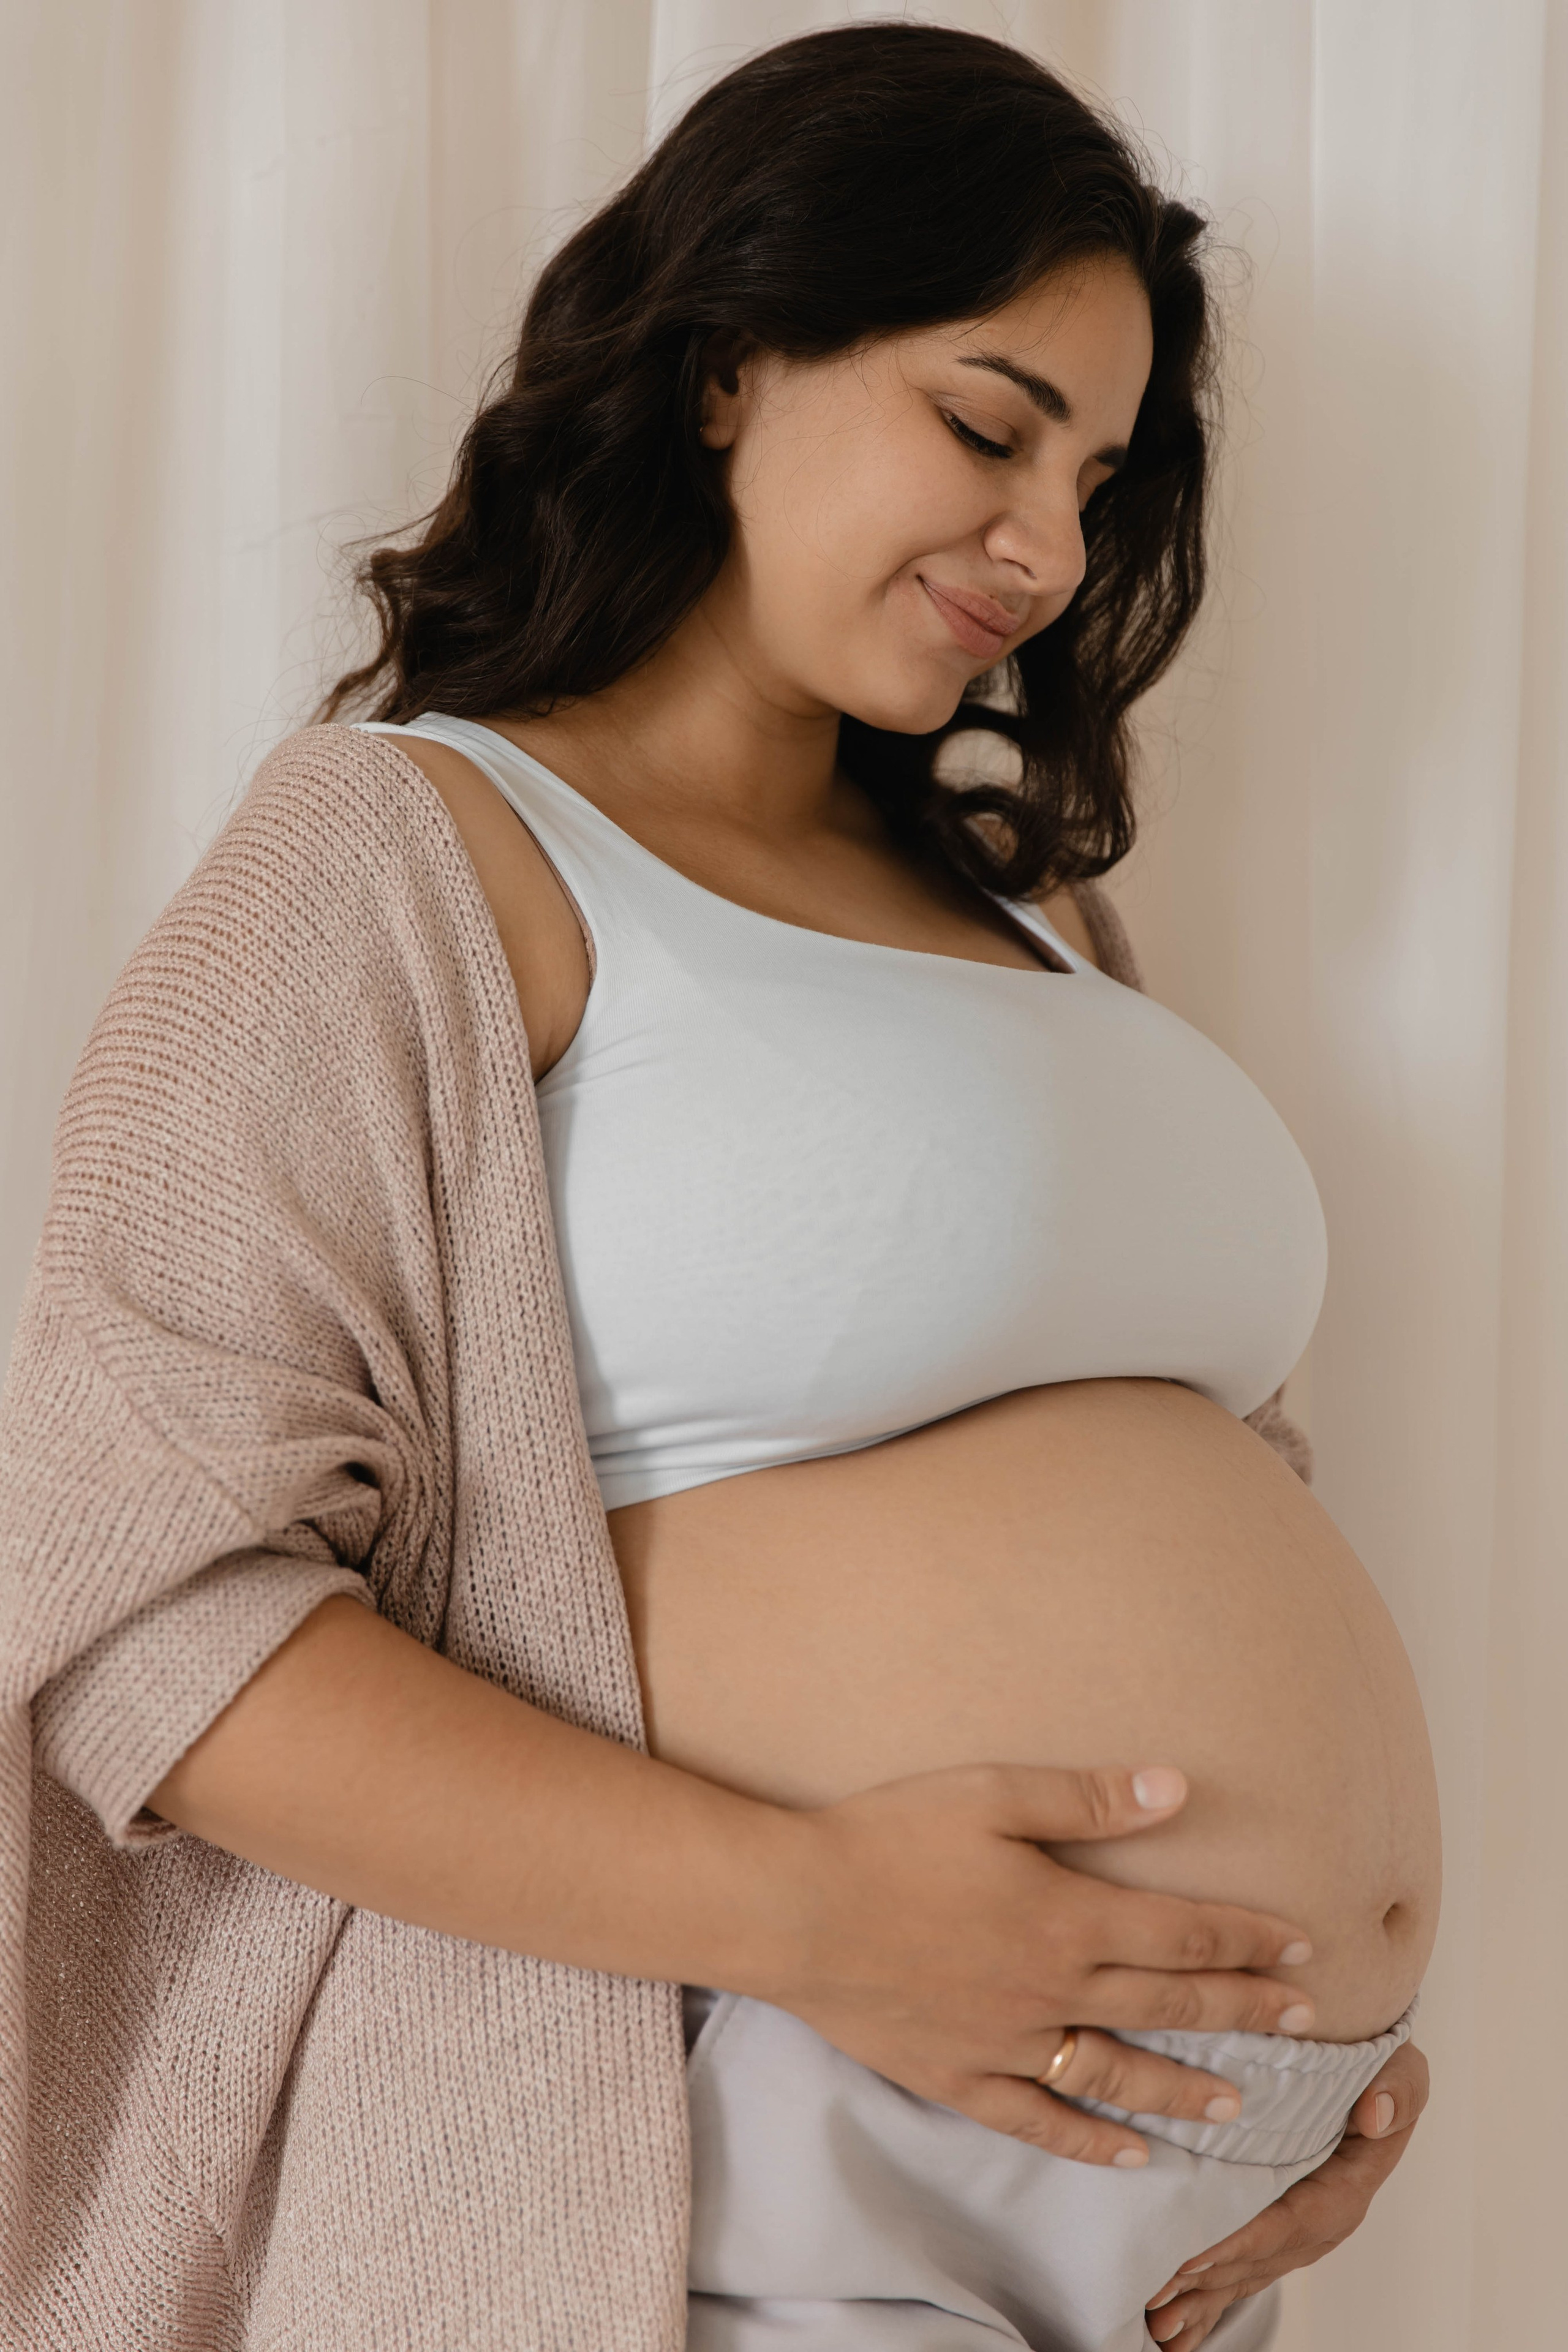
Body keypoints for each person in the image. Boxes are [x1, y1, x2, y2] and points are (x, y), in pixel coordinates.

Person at [0, 23, 1434, 2351]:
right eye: (987, 426)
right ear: (728, 364)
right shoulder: (409, 853)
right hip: (707, 2144)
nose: (1052, 547)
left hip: (1155, 2213)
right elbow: (130, 1619)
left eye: (1099, 476)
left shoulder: (1042, 921)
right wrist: (813, 1916)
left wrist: (1313, 2042)